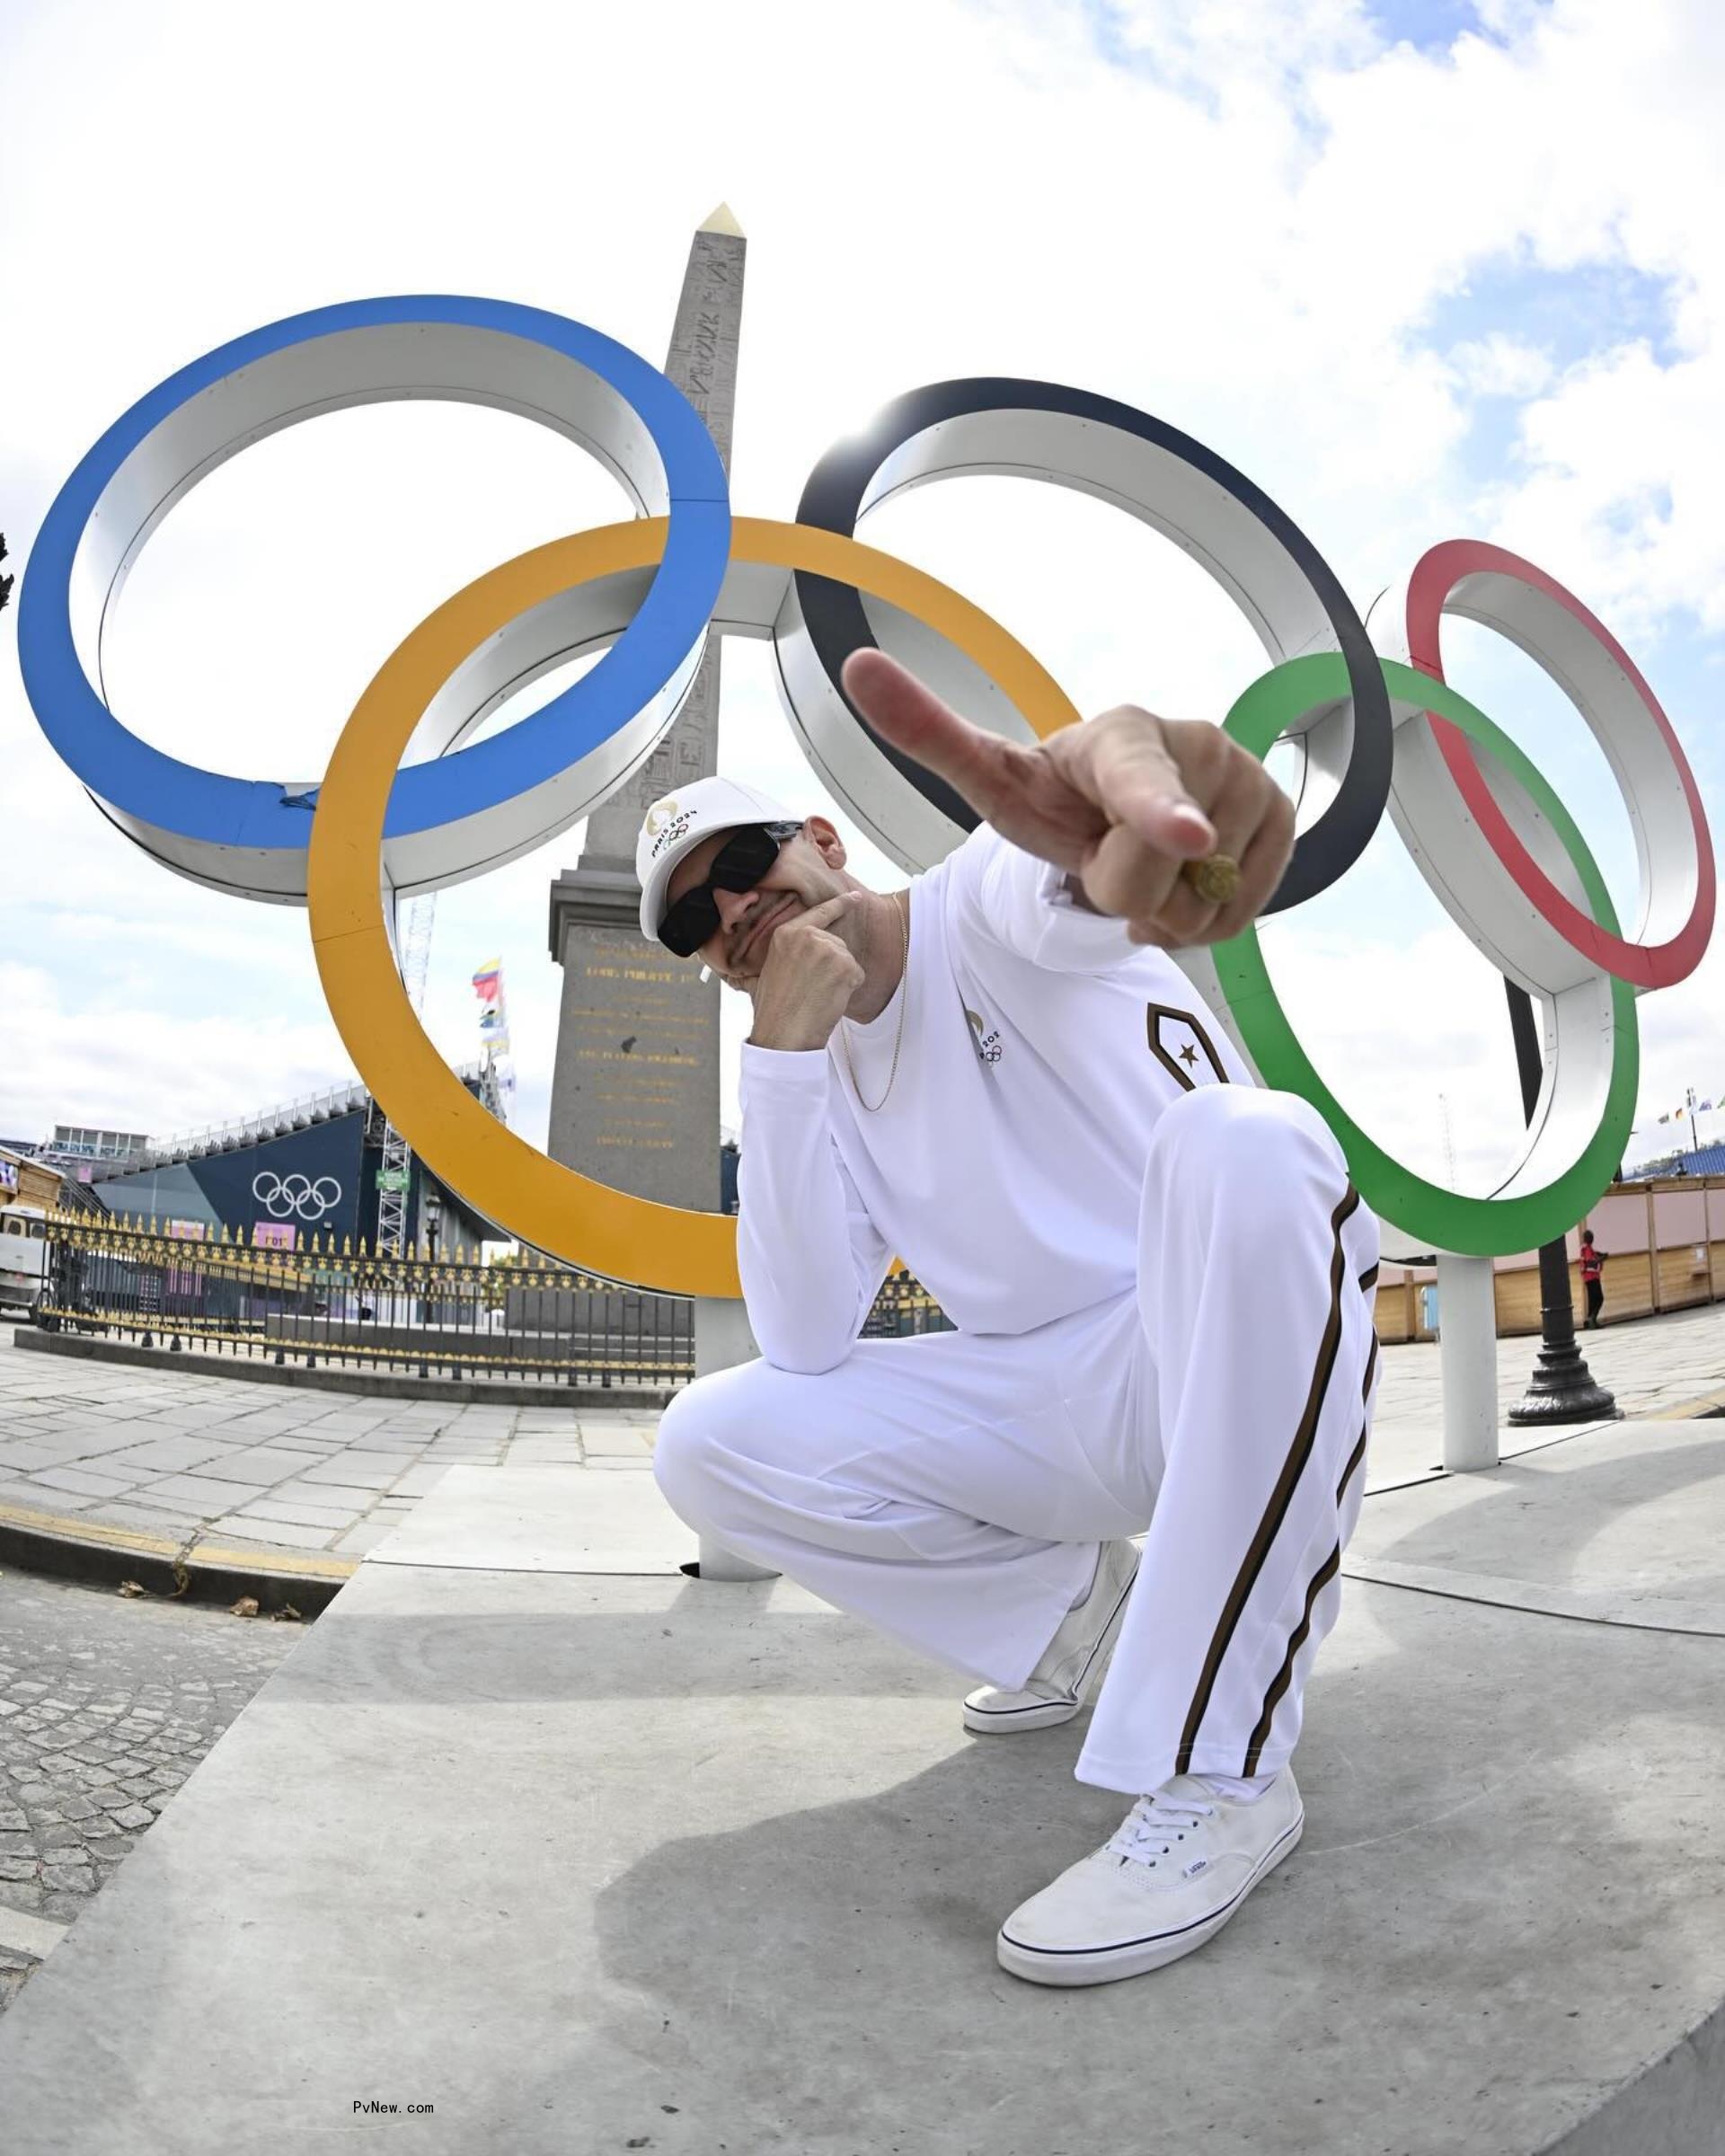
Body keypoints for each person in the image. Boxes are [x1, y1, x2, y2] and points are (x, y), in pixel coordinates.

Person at [641, 649, 1380, 1989]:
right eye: (700, 922)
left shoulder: (982, 903)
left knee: (1252, 1142)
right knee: (708, 1441)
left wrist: (1109, 817)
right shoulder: (808, 1064)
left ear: (820, 839)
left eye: (747, 862)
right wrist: (785, 1069)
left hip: (1222, 1352)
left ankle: (1221, 1770)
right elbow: (805, 1341)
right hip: (1052, 1401)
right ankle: (1086, 1630)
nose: (737, 911)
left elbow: (1064, 880)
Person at [1579, 1230, 1608, 1329]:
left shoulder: (1586, 1249)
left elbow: (1591, 1257)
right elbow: (1590, 1262)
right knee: (1599, 1298)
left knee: (1592, 1299)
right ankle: (1592, 1319)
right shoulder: (1587, 1249)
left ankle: (1590, 1321)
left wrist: (1600, 1255)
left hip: (1589, 1277)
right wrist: (1601, 1259)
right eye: (1590, 1237)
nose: (1591, 1239)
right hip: (1592, 1277)